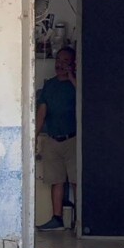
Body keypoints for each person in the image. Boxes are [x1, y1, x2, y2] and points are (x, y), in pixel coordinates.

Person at [35, 47, 77, 231]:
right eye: (58, 60)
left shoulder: (76, 84)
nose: (60, 64)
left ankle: (79, 221)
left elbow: (86, 100)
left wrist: (73, 78)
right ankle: (57, 218)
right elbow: (41, 113)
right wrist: (33, 137)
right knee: (56, 180)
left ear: (73, 63)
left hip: (73, 138)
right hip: (52, 139)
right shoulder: (49, 85)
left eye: (65, 61)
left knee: (76, 180)